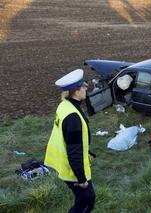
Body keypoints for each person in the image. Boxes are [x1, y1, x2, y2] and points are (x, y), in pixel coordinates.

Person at [44, 69, 96, 213]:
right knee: (86, 202)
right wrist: (81, 180)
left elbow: (71, 138)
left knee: (83, 201)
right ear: (77, 92)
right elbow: (74, 151)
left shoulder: (64, 105)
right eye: (83, 86)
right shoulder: (73, 116)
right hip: (73, 169)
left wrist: (87, 151)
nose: (86, 88)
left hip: (67, 164)